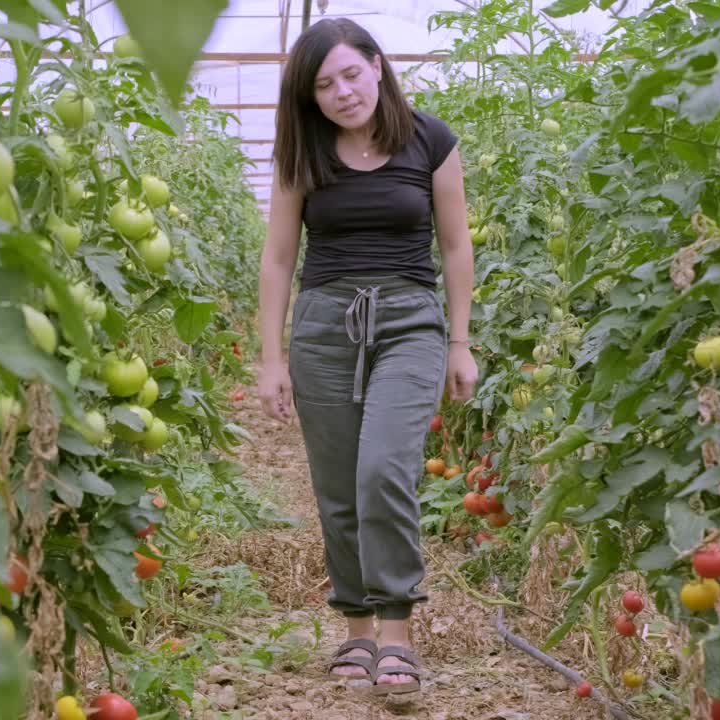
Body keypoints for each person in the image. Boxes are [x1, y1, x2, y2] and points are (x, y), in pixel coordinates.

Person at [255, 17, 478, 697]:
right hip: (325, 325)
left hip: (410, 320)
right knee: (337, 484)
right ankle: (355, 629)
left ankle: (397, 631)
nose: (343, 92)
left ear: (378, 66)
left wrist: (460, 343)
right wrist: (270, 356)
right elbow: (279, 255)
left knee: (383, 468)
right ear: (311, 97)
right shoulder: (306, 150)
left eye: (351, 73)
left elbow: (457, 246)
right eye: (325, 85)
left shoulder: (430, 139)